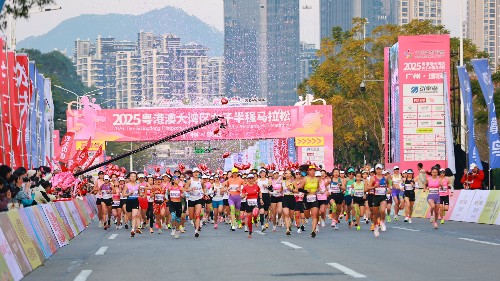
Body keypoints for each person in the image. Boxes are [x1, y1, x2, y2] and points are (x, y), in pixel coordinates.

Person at [367, 164, 389, 237]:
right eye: (377, 169)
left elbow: (389, 185)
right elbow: (368, 188)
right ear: (375, 170)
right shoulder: (373, 178)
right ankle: (376, 226)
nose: (379, 171)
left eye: (380, 169)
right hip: (376, 197)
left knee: (382, 210)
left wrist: (389, 189)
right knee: (375, 214)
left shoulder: (385, 178)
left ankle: (382, 221)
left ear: (382, 169)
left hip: (383, 197)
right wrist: (374, 186)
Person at [183, 168, 205, 237]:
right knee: (191, 217)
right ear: (192, 173)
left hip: (198, 199)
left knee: (197, 214)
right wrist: (190, 189)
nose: (196, 174)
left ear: (199, 173)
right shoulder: (190, 181)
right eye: (194, 172)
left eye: (197, 172)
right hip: (191, 199)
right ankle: (195, 225)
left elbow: (203, 188)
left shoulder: (201, 181)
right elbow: (185, 189)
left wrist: (204, 193)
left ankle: (196, 231)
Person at [241, 173, 260, 238]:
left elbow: (260, 192)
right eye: (249, 178)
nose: (251, 179)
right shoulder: (245, 187)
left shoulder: (256, 186)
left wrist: (261, 199)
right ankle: (250, 231)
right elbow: (242, 195)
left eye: (252, 178)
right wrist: (243, 196)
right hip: (248, 202)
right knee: (249, 219)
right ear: (247, 179)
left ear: (254, 179)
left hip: (255, 202)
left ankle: (255, 219)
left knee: (255, 214)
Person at [123, 172, 141, 237]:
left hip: (135, 201)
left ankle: (133, 230)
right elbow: (123, 195)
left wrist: (142, 194)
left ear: (136, 177)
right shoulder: (127, 185)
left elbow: (140, 193)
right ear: (129, 177)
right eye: (131, 176)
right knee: (130, 217)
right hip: (128, 201)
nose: (133, 178)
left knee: (134, 215)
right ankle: (133, 225)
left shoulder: (138, 185)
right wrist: (129, 194)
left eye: (134, 176)